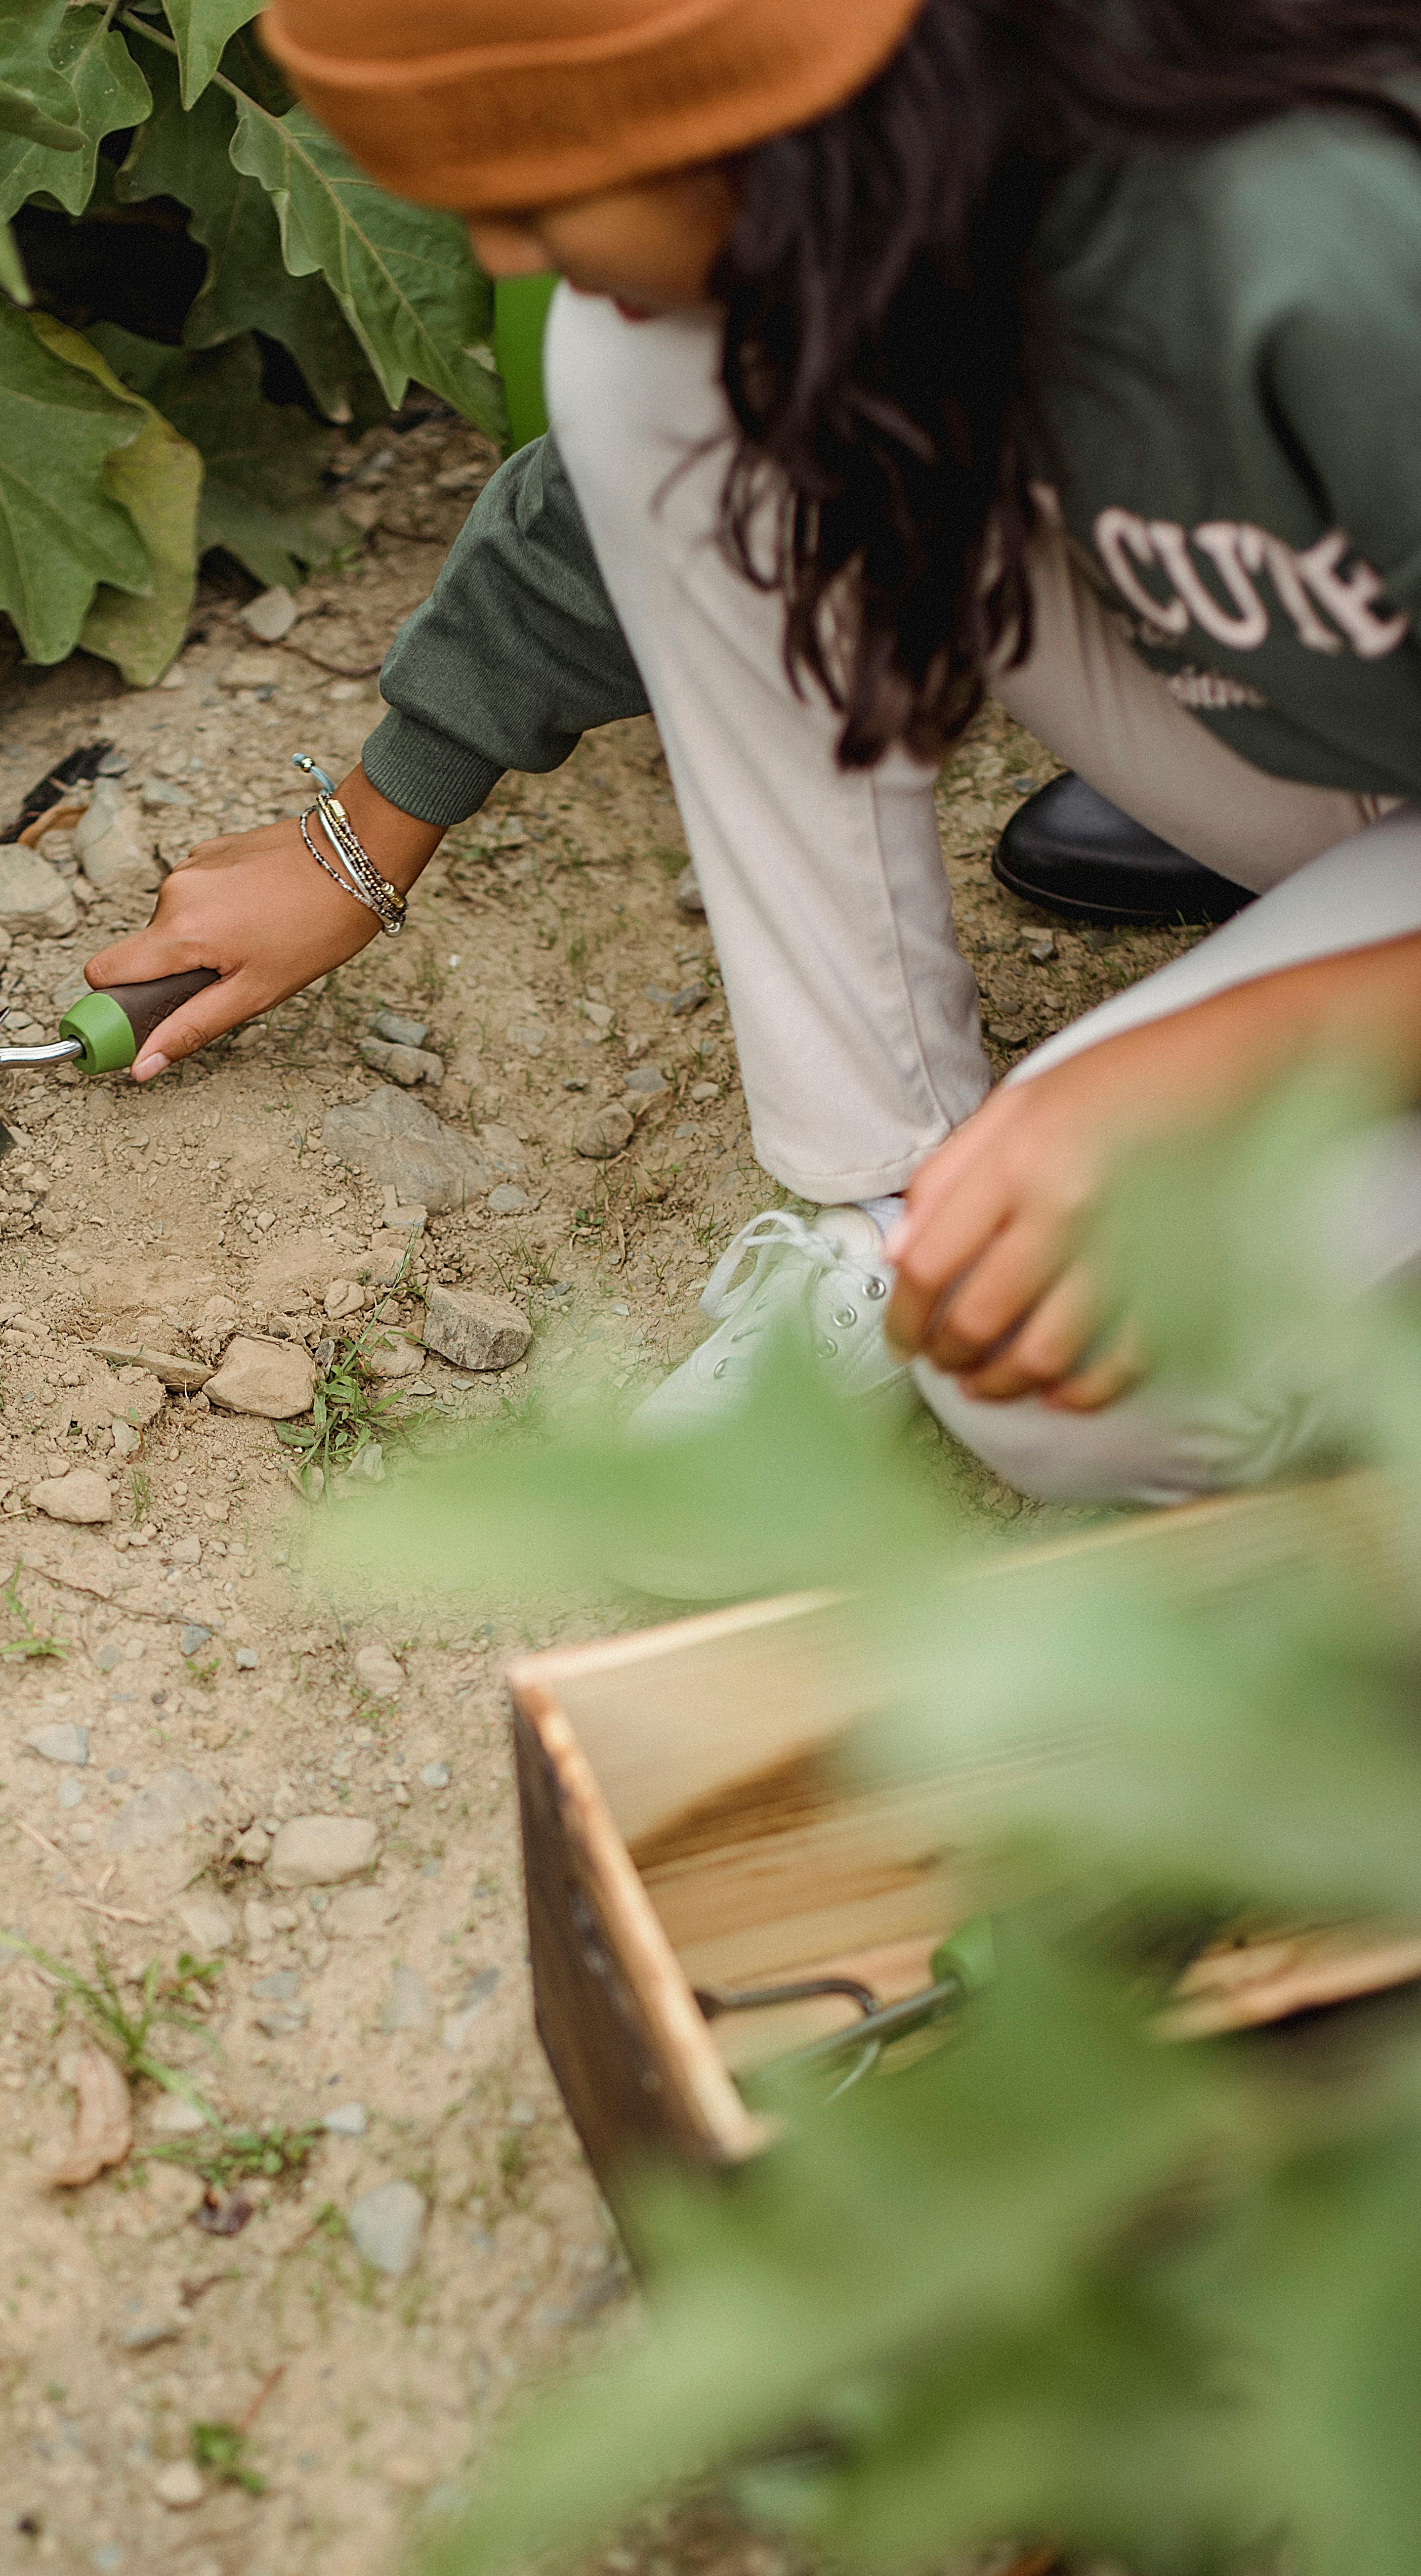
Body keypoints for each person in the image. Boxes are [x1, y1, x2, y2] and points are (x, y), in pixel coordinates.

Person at [86, 0, 1421, 1503]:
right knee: (646, 359)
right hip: (1326, 742)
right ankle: (891, 1189)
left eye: (536, 192)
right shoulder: (918, 163)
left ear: (754, 101)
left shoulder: (1336, 244)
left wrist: (1220, 1055)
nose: (509, 256)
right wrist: (365, 834)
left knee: (1082, 1402)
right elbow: (624, 508)